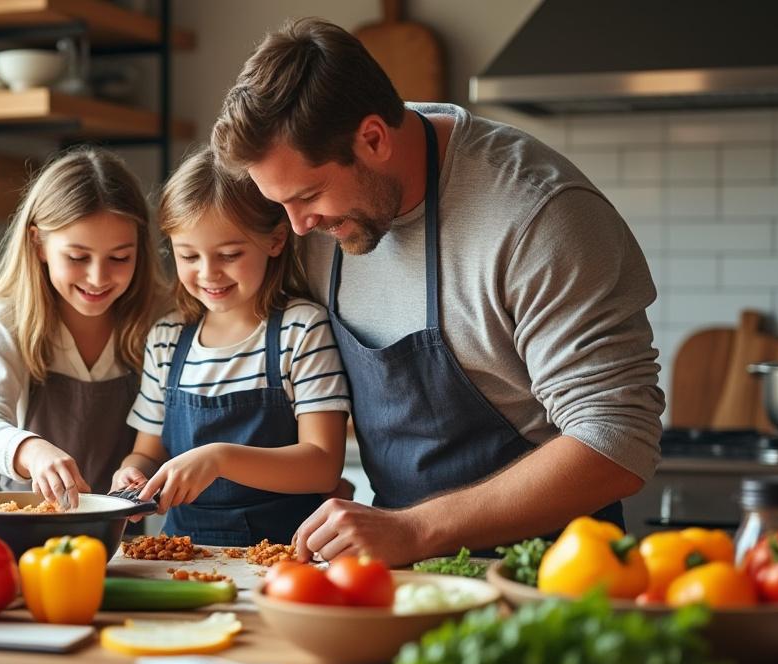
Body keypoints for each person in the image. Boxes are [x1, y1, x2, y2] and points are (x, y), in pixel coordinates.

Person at [210, 18, 664, 564]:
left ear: (373, 138)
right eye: (280, 202)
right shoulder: (316, 222)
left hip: (551, 572)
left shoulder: (537, 215)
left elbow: (617, 439)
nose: (297, 227)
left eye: (308, 195)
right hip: (397, 569)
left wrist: (418, 529)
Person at [111, 147, 351, 546]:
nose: (209, 273)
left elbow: (323, 465)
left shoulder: (301, 330)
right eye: (189, 255)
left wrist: (219, 459)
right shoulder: (167, 340)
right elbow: (147, 452)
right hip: (185, 555)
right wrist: (131, 473)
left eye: (229, 254)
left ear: (275, 239)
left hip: (287, 553)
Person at [0, 147, 162, 509]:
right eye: (78, 257)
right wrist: (31, 451)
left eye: (119, 258)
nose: (98, 277)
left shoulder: (159, 319)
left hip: (121, 536)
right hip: (27, 527)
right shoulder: (10, 321)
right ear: (38, 244)